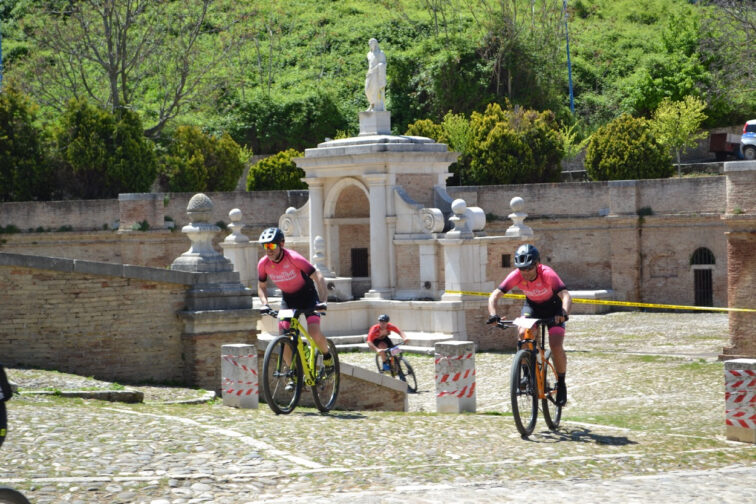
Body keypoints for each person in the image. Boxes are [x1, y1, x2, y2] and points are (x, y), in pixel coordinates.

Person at [487, 244, 572, 406]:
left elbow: (566, 295)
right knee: (522, 335)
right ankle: (527, 373)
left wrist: (564, 313)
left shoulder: (547, 274)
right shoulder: (516, 275)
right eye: (522, 268)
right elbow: (494, 296)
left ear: (537, 264)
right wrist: (493, 315)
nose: (525, 272)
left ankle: (561, 383)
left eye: (529, 268)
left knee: (555, 345)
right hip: (532, 308)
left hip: (554, 308)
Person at [257, 227, 334, 372]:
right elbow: (261, 286)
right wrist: (265, 304)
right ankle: (292, 372)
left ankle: (327, 356)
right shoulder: (263, 264)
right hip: (289, 300)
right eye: (265, 246)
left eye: (272, 245)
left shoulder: (293, 258)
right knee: (284, 338)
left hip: (308, 297)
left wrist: (323, 301)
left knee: (314, 332)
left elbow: (317, 276)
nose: (269, 250)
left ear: (282, 244)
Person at [364, 38, 387, 112]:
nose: (371, 44)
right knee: (367, 90)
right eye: (370, 43)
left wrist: (379, 66)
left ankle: (375, 106)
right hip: (370, 74)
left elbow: (383, 64)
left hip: (377, 75)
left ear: (376, 44)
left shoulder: (380, 53)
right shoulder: (369, 54)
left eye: (372, 43)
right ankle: (371, 103)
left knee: (375, 91)